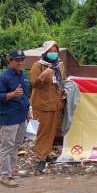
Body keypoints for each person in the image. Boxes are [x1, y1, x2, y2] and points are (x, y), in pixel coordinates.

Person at [0, 50, 31, 188]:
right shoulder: (3, 77)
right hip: (9, 118)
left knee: (16, 145)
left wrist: (28, 111)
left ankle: (13, 170)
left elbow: (26, 95)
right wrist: (13, 94)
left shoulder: (22, 75)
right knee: (7, 147)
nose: (20, 62)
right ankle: (5, 176)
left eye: (22, 60)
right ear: (10, 61)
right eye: (17, 60)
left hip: (22, 117)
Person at [30, 40, 67, 173]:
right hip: (42, 104)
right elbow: (34, 84)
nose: (53, 54)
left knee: (52, 131)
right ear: (45, 52)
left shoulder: (59, 66)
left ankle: (46, 155)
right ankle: (40, 158)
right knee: (43, 132)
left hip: (56, 104)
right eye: (50, 51)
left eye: (55, 51)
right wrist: (42, 76)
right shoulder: (38, 66)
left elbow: (61, 82)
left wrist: (63, 92)